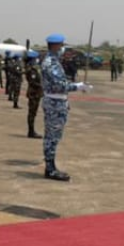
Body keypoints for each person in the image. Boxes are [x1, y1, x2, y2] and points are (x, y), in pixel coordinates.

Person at [41, 33, 89, 182]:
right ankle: (50, 169)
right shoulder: (51, 63)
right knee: (52, 137)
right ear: (55, 46)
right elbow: (59, 86)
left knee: (54, 136)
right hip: (54, 103)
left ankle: (51, 166)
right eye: (61, 45)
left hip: (57, 102)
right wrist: (78, 86)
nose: (62, 48)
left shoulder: (54, 61)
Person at [24, 50, 42, 138]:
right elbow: (33, 82)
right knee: (32, 112)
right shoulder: (31, 69)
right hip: (34, 93)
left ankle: (31, 131)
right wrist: (42, 85)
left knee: (33, 113)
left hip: (36, 92)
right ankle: (31, 132)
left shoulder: (32, 68)